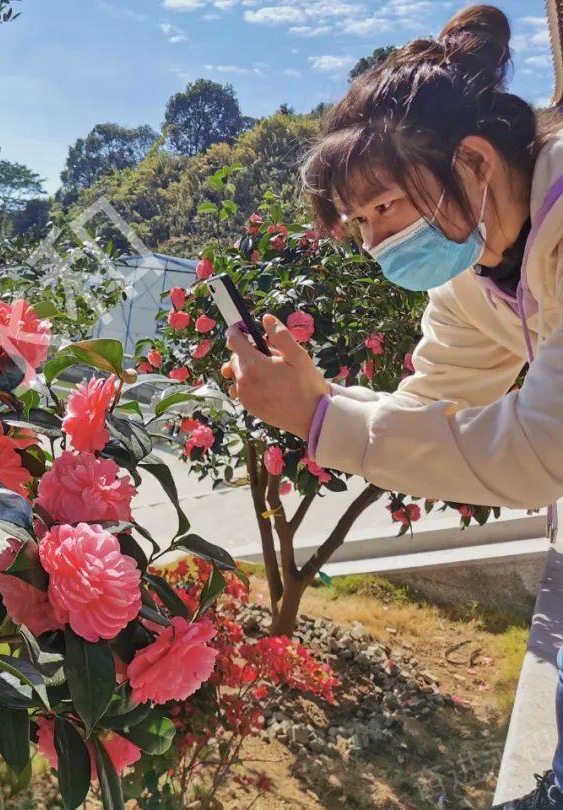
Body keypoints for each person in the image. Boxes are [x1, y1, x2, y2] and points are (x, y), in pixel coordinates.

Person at [221, 6, 563, 808]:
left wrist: (320, 419)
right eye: (360, 222)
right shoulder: (472, 277)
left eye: (385, 208)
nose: (374, 241)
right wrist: (318, 402)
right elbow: (432, 409)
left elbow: (542, 452)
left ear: (474, 160)